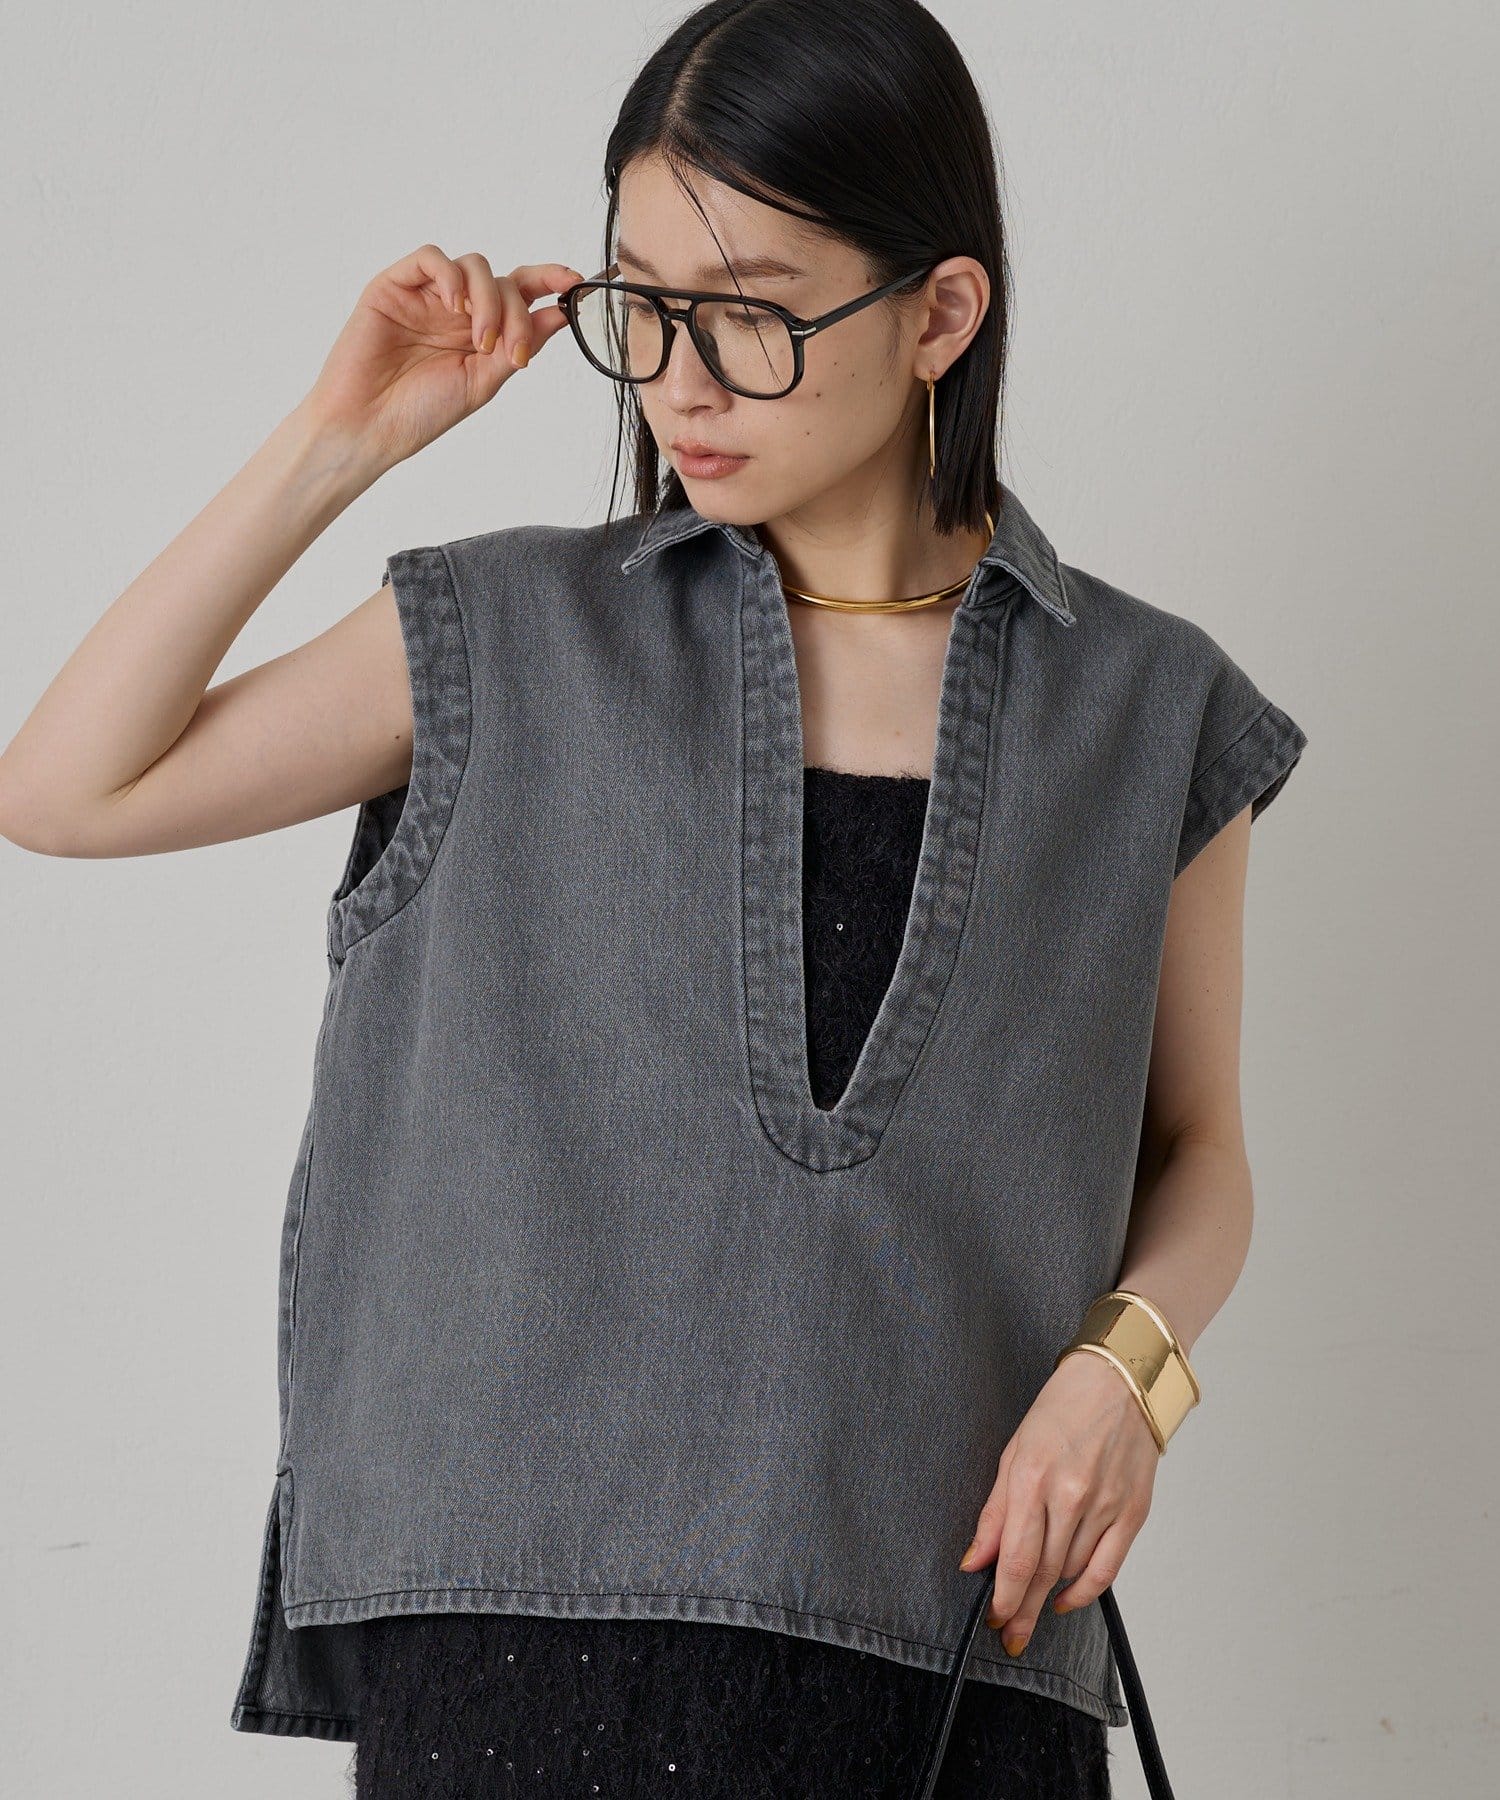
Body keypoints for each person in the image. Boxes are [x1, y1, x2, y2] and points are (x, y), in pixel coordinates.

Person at [0, 2, 1307, 1795]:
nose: (681, 381)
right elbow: (67, 790)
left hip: (946, 1644)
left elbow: (1202, 1150)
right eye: (645, 305)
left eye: (753, 312)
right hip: (513, 1660)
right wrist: (339, 438)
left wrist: (1125, 1376)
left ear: (941, 314)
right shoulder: (505, 633)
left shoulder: (1149, 711)